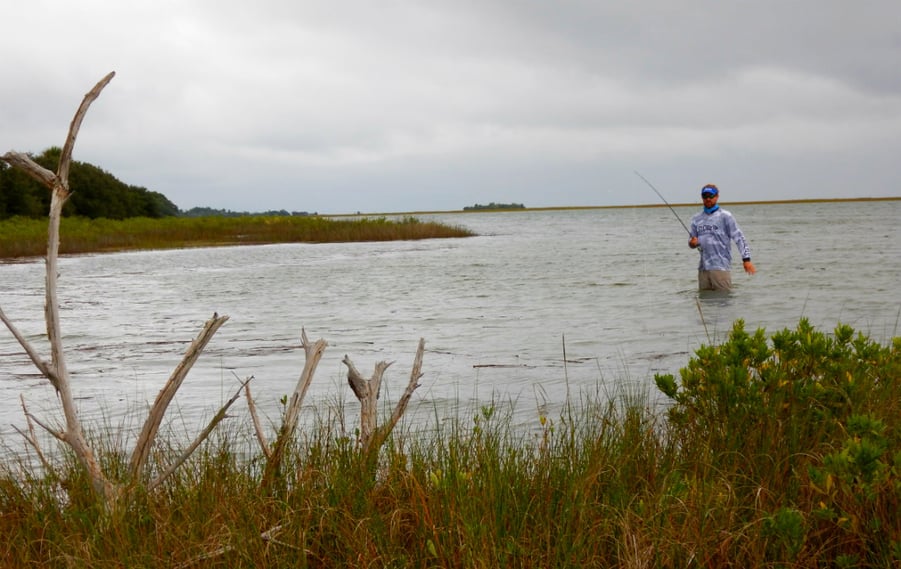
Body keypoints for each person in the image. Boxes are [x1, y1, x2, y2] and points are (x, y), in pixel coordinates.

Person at [688, 184, 756, 291]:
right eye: (705, 196)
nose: (708, 199)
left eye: (711, 196)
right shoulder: (696, 219)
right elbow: (691, 242)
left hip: (721, 267)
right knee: (705, 304)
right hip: (703, 269)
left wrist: (746, 260)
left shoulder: (725, 216)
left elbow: (739, 238)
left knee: (723, 303)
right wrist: (692, 243)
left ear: (717, 196)